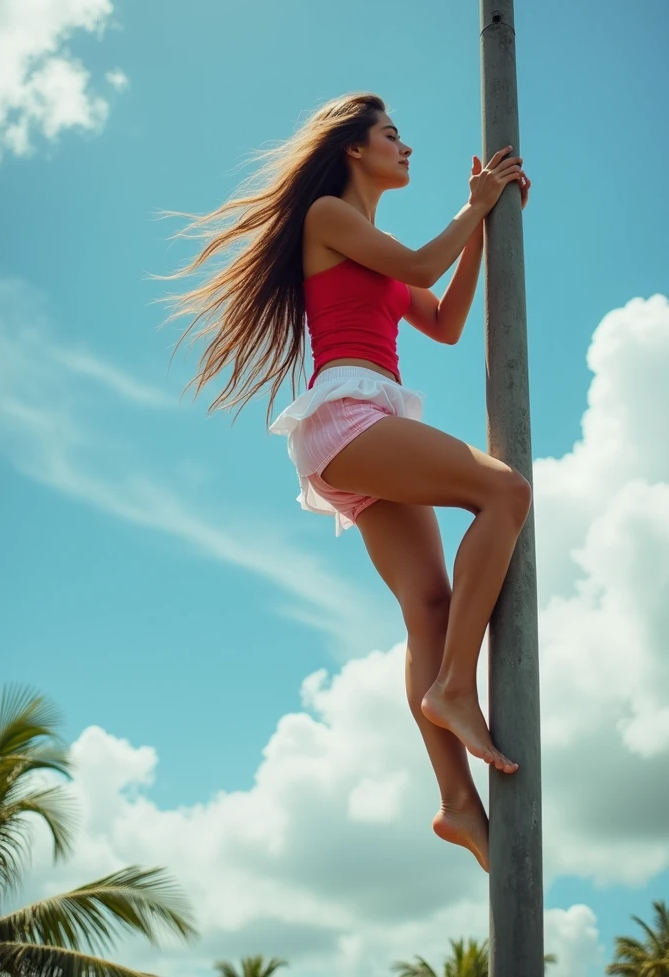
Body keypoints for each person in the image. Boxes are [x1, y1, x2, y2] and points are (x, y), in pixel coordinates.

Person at [153, 93, 532, 872]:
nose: (407, 146)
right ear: (354, 150)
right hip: (348, 416)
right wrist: (476, 206)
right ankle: (456, 685)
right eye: (392, 135)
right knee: (505, 492)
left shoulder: (371, 241)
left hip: (366, 424)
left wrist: (486, 227)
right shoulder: (330, 217)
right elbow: (426, 264)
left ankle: (457, 803)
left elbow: (446, 318)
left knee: (430, 606)